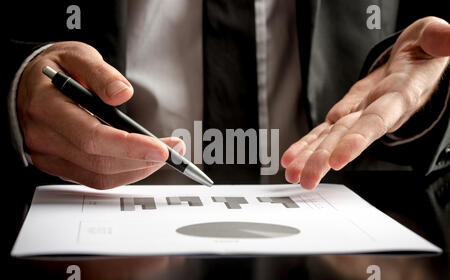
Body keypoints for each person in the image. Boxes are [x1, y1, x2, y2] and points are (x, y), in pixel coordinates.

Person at [4, 0, 450, 190]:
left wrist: (432, 90)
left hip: (346, 240)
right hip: (79, 225)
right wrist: (17, 85)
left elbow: (428, 40)